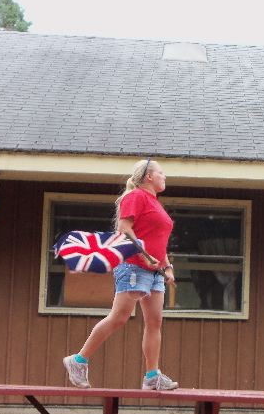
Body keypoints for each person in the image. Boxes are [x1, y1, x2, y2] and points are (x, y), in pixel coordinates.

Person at [63, 158, 178, 391]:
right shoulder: (135, 196)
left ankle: (152, 376)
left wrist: (167, 266)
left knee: (154, 322)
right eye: (161, 172)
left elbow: (158, 240)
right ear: (149, 177)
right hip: (133, 265)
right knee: (119, 317)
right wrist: (144, 255)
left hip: (154, 271)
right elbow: (124, 229)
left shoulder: (155, 203)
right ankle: (78, 360)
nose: (165, 176)